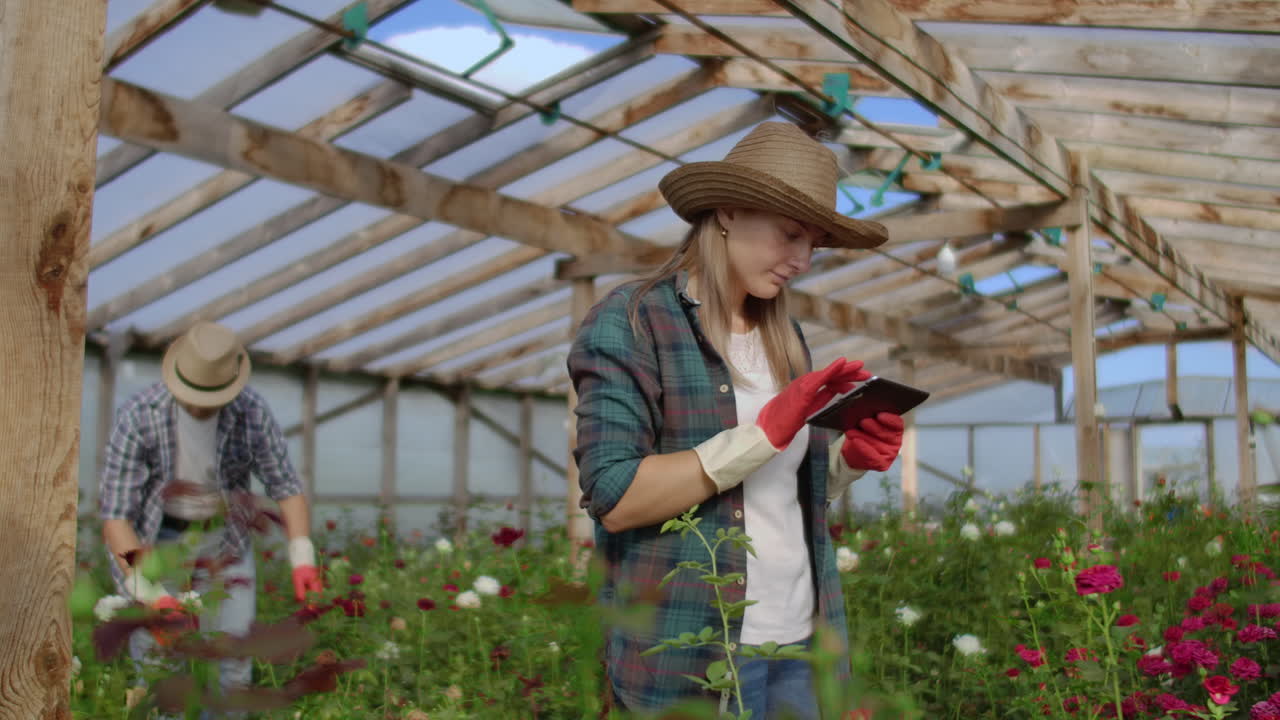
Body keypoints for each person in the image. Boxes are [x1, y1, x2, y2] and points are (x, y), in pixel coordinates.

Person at [568, 122, 906, 718]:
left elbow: (776, 494)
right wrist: (764, 433)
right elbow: (614, 496)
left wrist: (849, 461)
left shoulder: (786, 338)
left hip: (802, 638)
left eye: (815, 244)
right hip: (698, 650)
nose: (801, 259)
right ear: (726, 211)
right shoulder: (634, 321)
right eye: (791, 233)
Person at [99, 320, 323, 715]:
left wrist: (302, 558)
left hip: (226, 547)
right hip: (156, 546)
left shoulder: (251, 412)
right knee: (159, 671)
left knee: (232, 668)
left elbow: (286, 487)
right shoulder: (139, 416)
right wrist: (150, 594)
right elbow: (117, 519)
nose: (201, 404)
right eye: (193, 394)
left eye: (213, 396)